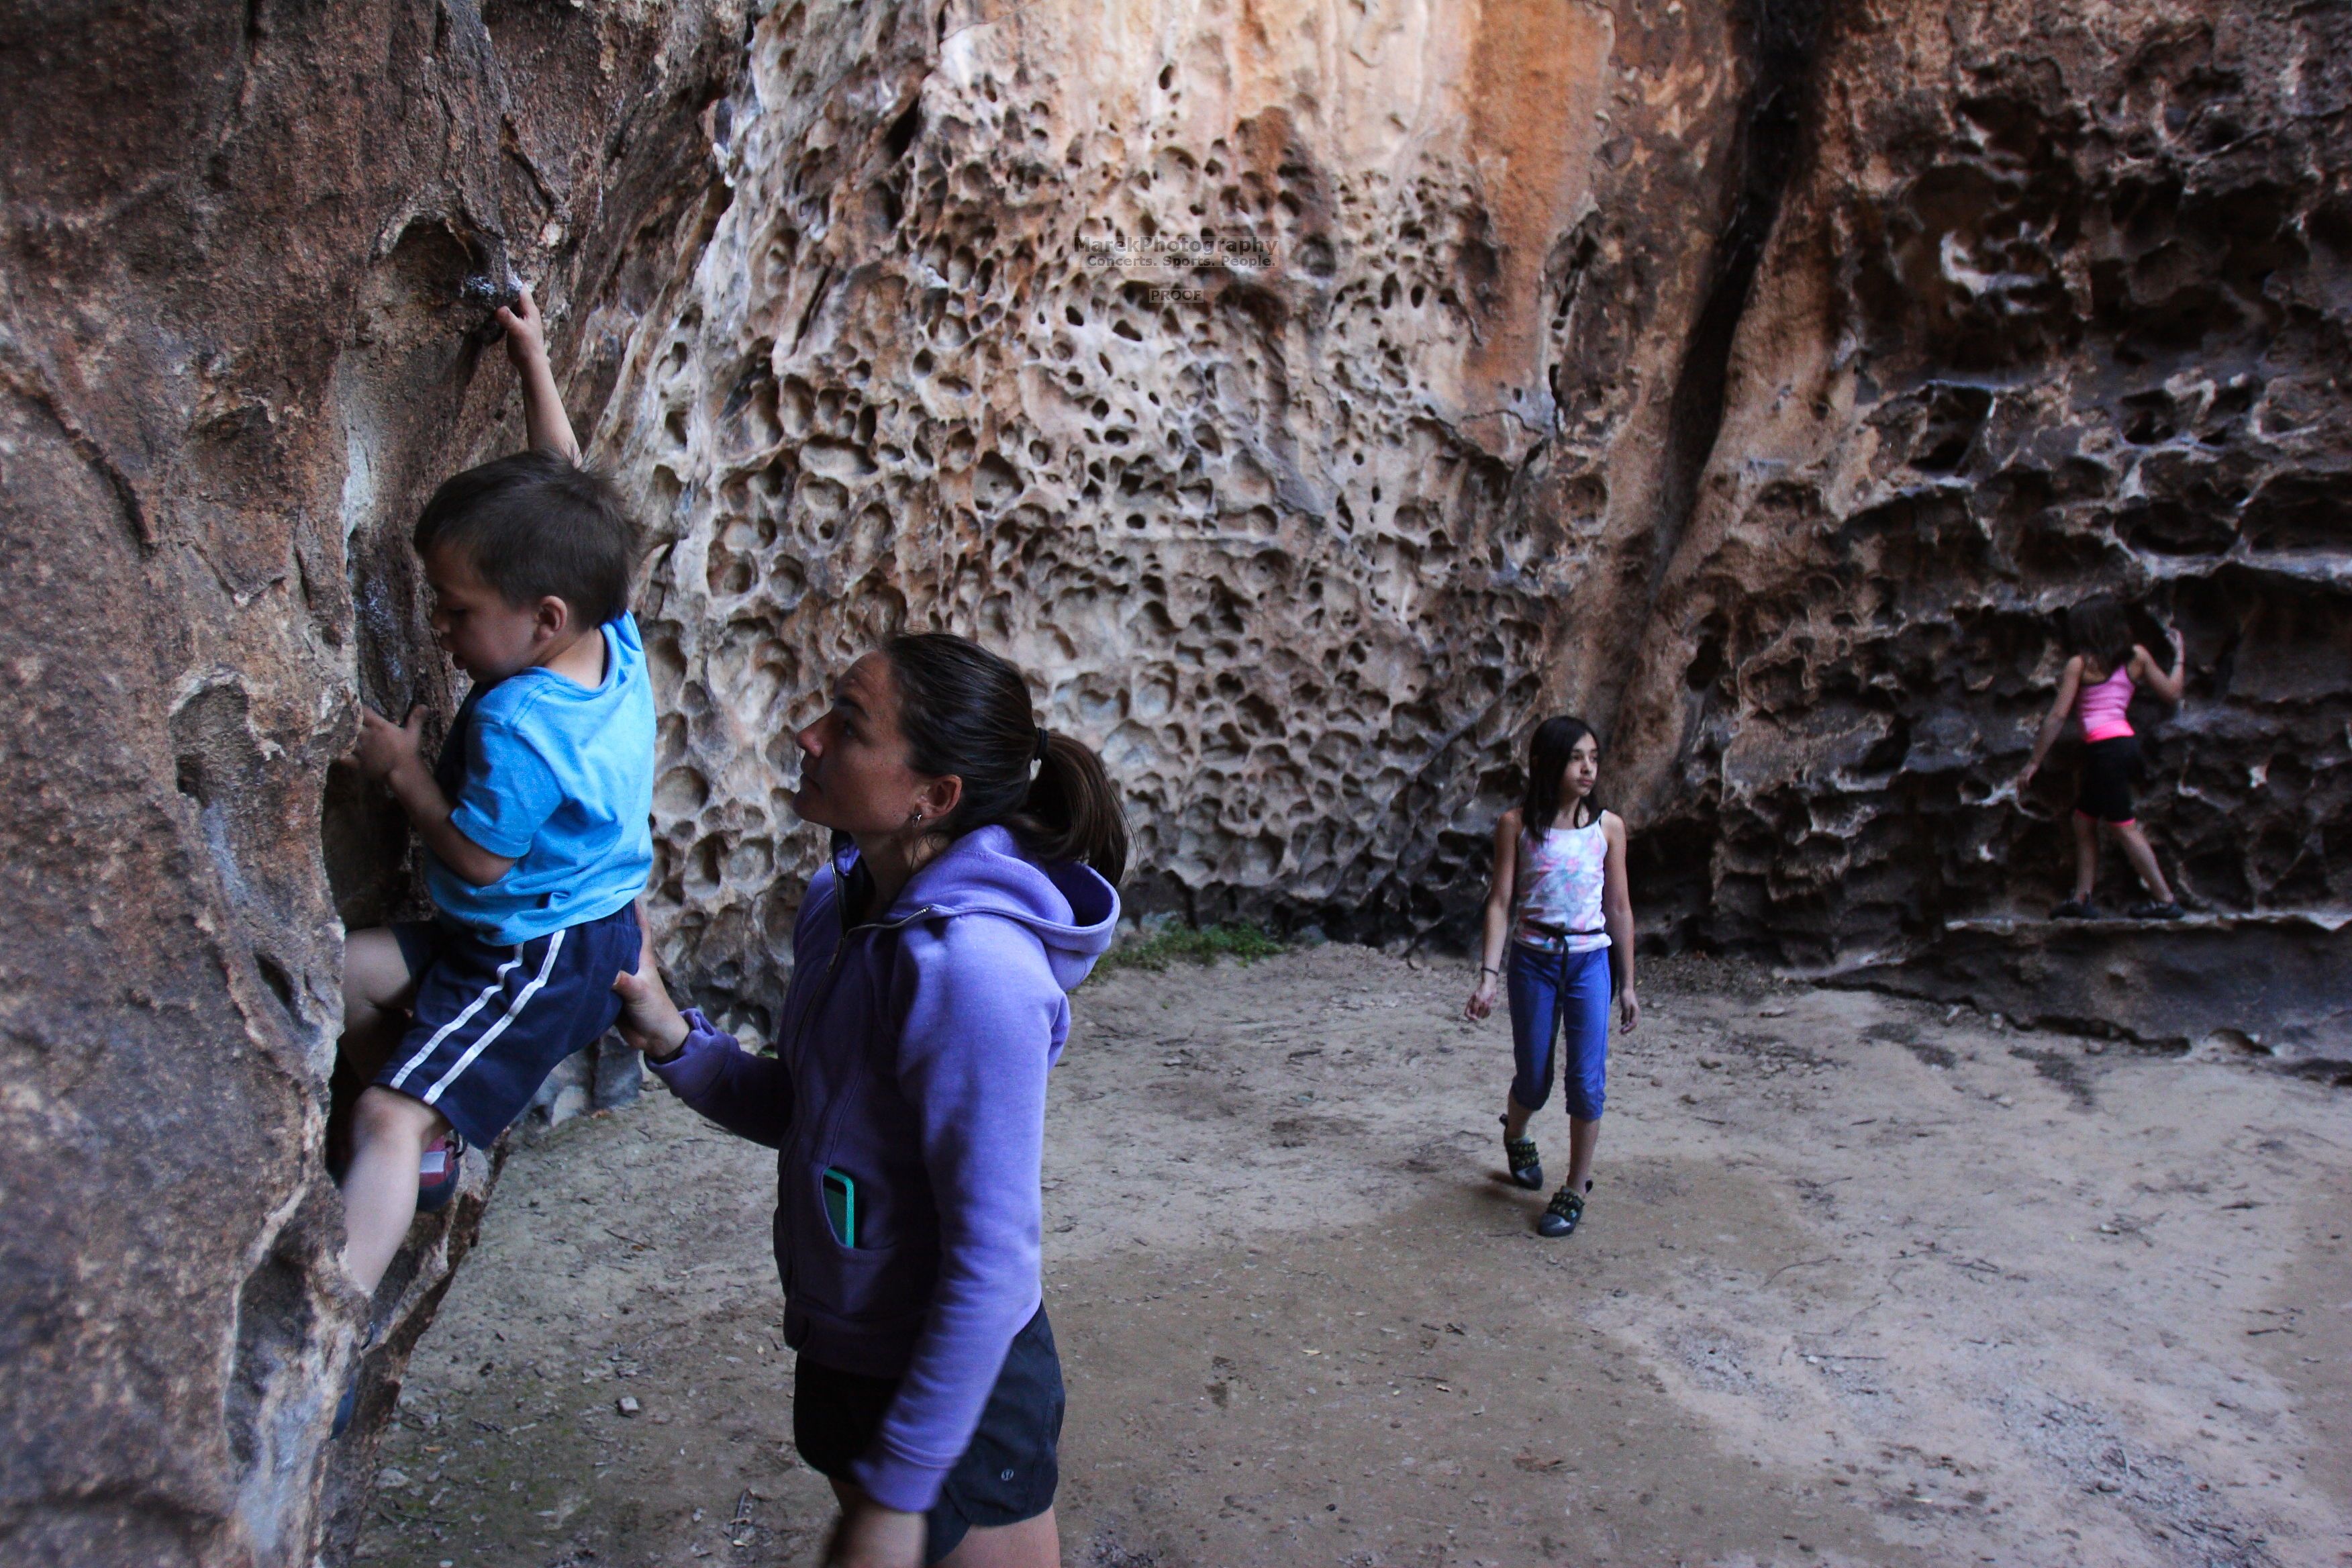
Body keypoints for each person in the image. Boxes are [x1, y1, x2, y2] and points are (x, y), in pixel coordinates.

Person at [609, 632, 1125, 1568]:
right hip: (847, 1336)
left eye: (848, 724)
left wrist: (906, 1479)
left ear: (934, 798)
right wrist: (675, 1040)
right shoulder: (838, 900)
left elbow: (994, 1261)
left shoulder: (975, 973)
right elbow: (815, 1113)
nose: (807, 735)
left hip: (953, 1382)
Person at [337, 285, 653, 1320]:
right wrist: (532, 356)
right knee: (337, 977)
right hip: (551, 929)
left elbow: (478, 862)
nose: (439, 628)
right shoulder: (613, 637)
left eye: (457, 611)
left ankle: (332, 1310)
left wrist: (405, 776)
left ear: (542, 616)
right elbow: (565, 482)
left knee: (385, 1113)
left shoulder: (521, 726)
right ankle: (432, 1119)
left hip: (535, 949)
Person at [1464, 717, 1638, 1238]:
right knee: (1535, 1079)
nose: (1588, 768)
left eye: (1594, 757)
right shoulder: (1516, 825)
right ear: (1547, 763)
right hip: (1534, 960)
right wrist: (1489, 977)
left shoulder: (1608, 828)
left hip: (1589, 961)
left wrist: (1627, 984)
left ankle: (1575, 1186)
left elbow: (1620, 907)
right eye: (1576, 758)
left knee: (1587, 1081)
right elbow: (1500, 901)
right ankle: (1516, 1131)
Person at [2016, 597, 2186, 920]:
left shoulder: (2080, 664)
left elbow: (2057, 716)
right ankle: (2082, 899)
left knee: (2123, 827)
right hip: (2120, 746)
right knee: (2083, 821)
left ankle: (2166, 900)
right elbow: (2172, 693)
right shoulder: (2137, 656)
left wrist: (2034, 761)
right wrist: (2180, 659)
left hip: (2107, 751)